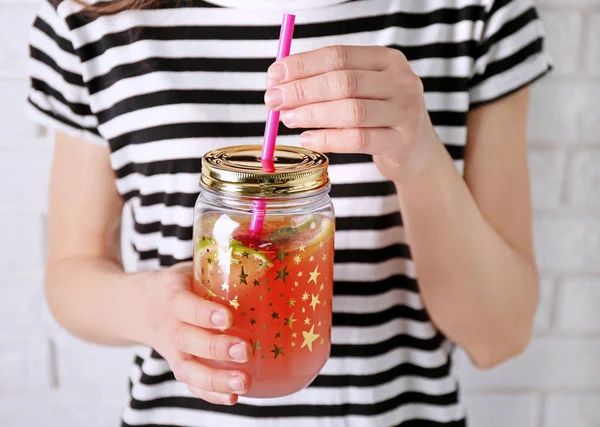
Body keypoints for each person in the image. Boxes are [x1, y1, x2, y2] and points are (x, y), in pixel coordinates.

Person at [26, 0, 552, 425]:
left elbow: (498, 337)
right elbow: (71, 276)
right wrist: (149, 309)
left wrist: (417, 157)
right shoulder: (90, 19)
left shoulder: (477, 13)